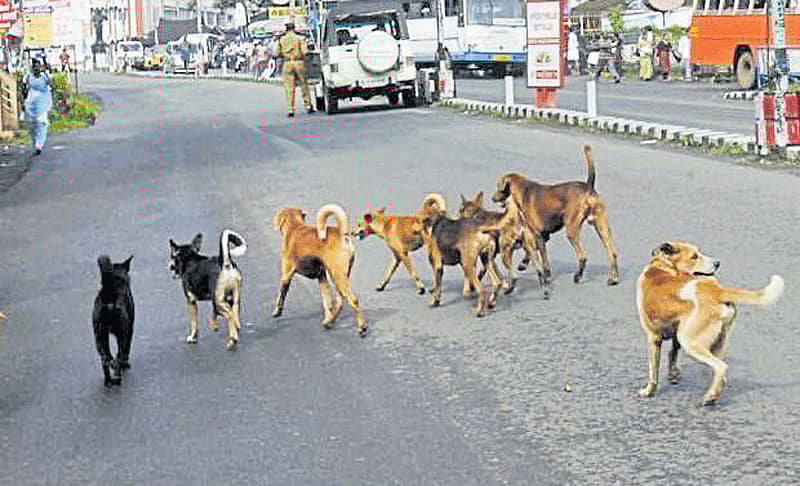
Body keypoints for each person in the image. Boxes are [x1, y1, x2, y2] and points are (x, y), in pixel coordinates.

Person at [276, 22, 314, 117]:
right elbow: (305, 52)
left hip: (287, 63)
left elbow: (276, 53)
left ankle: (290, 109)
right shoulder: (300, 38)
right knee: (304, 85)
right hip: (298, 62)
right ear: (294, 28)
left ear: (286, 29)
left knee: (289, 88)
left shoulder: (281, 39)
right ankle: (308, 106)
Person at [22, 59, 53, 155]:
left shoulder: (44, 76)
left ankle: (39, 144)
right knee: (32, 125)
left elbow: (51, 84)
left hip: (43, 102)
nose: (37, 69)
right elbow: (23, 90)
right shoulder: (28, 77)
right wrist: (22, 102)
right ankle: (35, 142)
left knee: (42, 123)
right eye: (35, 67)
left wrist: (48, 71)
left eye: (38, 67)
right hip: (31, 104)